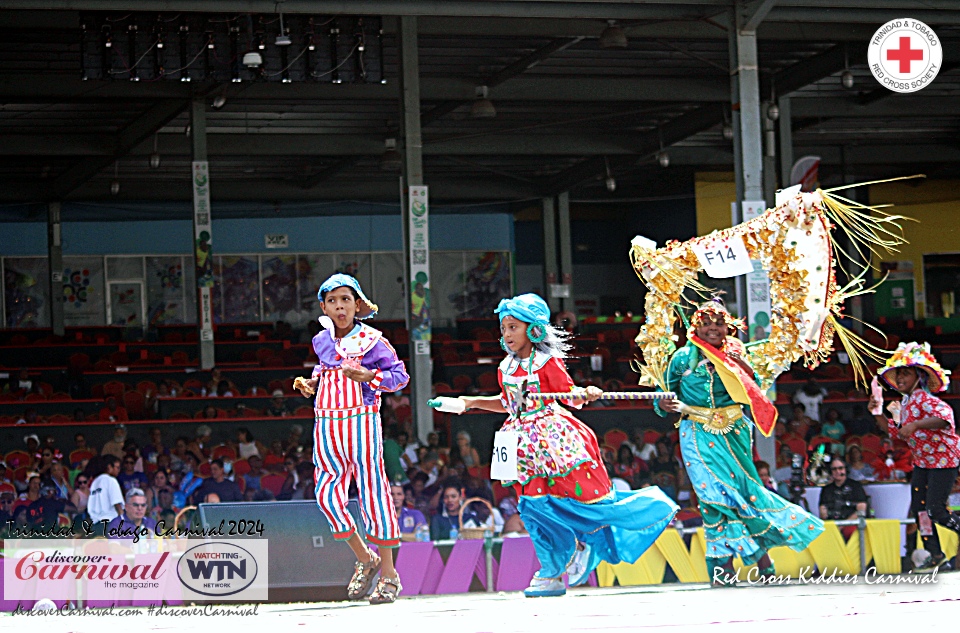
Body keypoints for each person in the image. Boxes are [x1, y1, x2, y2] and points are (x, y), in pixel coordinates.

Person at [445, 293, 678, 597]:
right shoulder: (505, 367)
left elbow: (568, 396)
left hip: (552, 441)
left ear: (533, 328)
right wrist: (469, 402)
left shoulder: (547, 362)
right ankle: (552, 570)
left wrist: (584, 393)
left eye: (513, 327)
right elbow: (507, 403)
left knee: (576, 500)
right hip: (520, 444)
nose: (507, 334)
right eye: (503, 328)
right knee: (532, 508)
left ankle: (594, 538)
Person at [656, 298, 824, 586]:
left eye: (719, 323)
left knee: (744, 493)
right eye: (706, 323)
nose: (712, 328)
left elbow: (753, 389)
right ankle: (725, 571)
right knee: (713, 497)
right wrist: (663, 405)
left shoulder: (736, 352)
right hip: (696, 431)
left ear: (728, 328)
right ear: (695, 326)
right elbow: (664, 399)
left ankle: (761, 560)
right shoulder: (682, 358)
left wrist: (740, 364)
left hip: (734, 432)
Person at [295, 273, 410, 605]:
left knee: (375, 495)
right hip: (327, 427)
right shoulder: (321, 341)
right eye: (332, 301)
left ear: (357, 304)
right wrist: (312, 384)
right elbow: (323, 370)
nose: (340, 306)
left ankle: (389, 574)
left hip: (362, 425)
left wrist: (370, 375)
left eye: (346, 299)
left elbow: (399, 376)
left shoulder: (374, 341)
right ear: (324, 307)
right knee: (326, 497)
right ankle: (365, 558)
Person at [870, 342, 960, 572]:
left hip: (943, 461)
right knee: (920, 511)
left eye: (905, 373)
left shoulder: (925, 400)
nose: (900, 378)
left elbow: (946, 417)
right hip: (922, 463)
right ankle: (935, 553)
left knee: (936, 510)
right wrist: (877, 412)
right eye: (898, 374)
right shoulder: (904, 404)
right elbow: (894, 431)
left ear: (919, 376)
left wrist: (917, 425)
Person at [87, 455, 124, 532]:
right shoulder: (111, 480)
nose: (119, 470)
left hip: (96, 526)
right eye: (117, 467)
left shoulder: (95, 482)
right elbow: (117, 505)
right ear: (109, 467)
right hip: (111, 524)